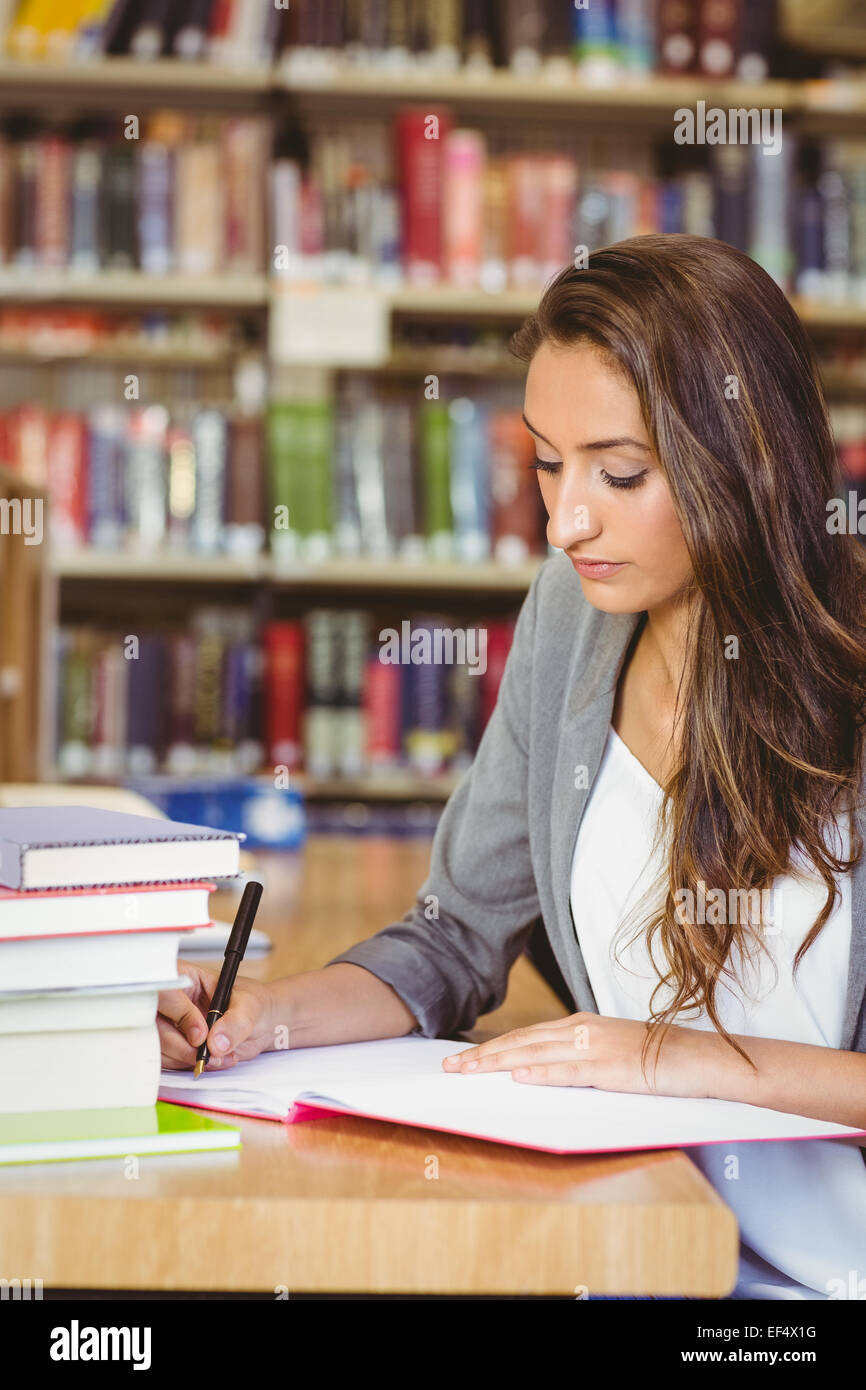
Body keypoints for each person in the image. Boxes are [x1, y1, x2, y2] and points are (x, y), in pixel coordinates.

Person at [158, 234, 866, 1300]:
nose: (564, 518)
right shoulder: (568, 617)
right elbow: (450, 938)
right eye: (546, 462)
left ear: (743, 456)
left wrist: (661, 1055)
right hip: (647, 1258)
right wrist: (268, 1015)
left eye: (618, 472)